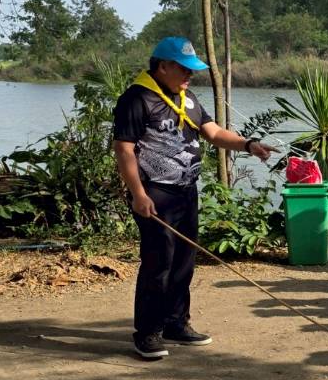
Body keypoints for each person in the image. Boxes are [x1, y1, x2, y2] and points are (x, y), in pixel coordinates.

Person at [113, 36, 273, 361]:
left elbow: (214, 133)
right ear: (163, 66)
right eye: (184, 69)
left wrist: (248, 144)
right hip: (154, 193)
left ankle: (176, 322)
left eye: (193, 70)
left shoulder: (187, 98)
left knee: (184, 261)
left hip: (186, 192)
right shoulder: (137, 99)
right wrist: (138, 193)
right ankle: (147, 333)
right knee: (159, 262)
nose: (190, 75)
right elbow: (124, 149)